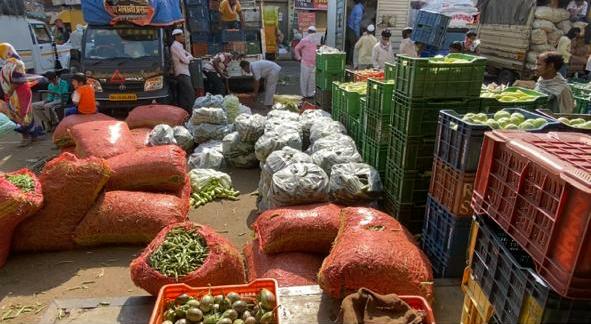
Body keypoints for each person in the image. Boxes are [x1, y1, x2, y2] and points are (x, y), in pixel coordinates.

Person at [0, 43, 44, 146]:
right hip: (13, 93)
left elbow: (17, 80)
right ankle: (33, 135)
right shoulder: (8, 64)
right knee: (18, 114)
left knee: (21, 115)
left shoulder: (17, 63)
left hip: (20, 93)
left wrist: (10, 90)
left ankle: (27, 136)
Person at [170, 29, 195, 111]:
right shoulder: (176, 46)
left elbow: (190, 56)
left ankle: (185, 112)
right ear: (177, 36)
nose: (184, 38)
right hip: (182, 73)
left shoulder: (179, 46)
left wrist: (187, 58)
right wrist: (187, 58)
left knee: (184, 95)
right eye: (182, 36)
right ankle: (191, 112)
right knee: (190, 94)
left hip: (184, 73)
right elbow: (186, 60)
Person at [294, 26, 320, 98]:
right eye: (311, 32)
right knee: (304, 79)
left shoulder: (315, 41)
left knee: (312, 80)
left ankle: (310, 94)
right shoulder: (304, 40)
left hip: (314, 63)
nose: (312, 34)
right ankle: (303, 94)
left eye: (314, 32)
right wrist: (299, 58)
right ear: (308, 32)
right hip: (305, 63)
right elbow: (296, 48)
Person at [346, 0, 364, 64]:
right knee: (354, 46)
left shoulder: (356, 7)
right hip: (353, 30)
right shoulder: (359, 9)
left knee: (349, 46)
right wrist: (357, 35)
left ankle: (347, 61)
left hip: (349, 28)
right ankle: (351, 62)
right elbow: (356, 23)